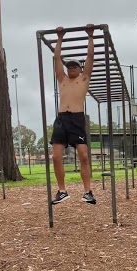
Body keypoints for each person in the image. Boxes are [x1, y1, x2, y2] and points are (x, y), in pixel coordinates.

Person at [50, 24, 96, 205]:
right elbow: (56, 57)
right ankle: (62, 191)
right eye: (68, 67)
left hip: (77, 119)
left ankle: (87, 192)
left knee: (83, 156)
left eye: (73, 66)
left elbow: (90, 56)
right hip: (62, 119)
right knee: (55, 157)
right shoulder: (62, 79)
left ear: (80, 68)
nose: (70, 69)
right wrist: (59, 37)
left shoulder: (84, 79)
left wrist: (90, 36)